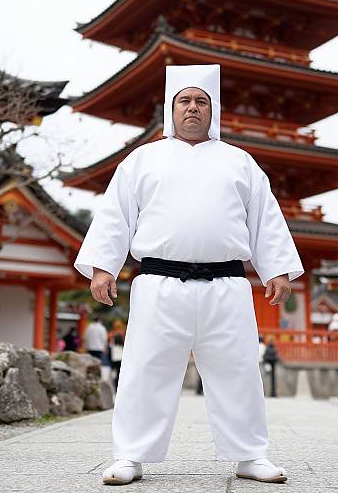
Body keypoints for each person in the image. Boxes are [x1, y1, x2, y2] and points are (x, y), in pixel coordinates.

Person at [74, 64, 304, 486]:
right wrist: (103, 266)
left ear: (213, 110)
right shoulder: (142, 160)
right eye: (185, 101)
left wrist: (278, 270)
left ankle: (250, 454)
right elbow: (115, 216)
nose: (193, 108)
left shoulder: (240, 162)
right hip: (159, 285)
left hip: (228, 286)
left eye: (201, 101)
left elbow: (265, 219)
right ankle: (130, 455)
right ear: (171, 108)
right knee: (145, 370)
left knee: (238, 370)